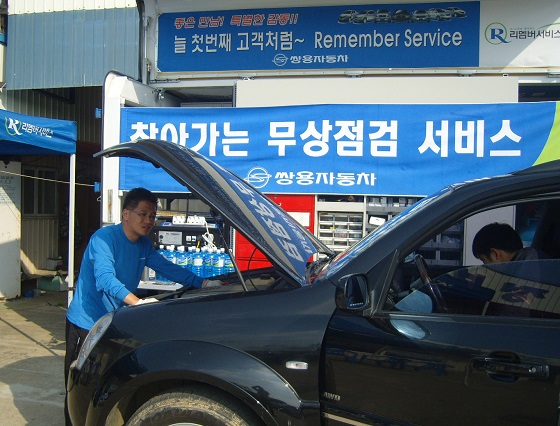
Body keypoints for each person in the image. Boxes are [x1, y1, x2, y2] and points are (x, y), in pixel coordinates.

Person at [64, 187, 220, 425]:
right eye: (143, 214)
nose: (148, 220)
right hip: (86, 321)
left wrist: (204, 282)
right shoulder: (104, 239)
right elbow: (105, 279)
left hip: (113, 319)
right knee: (79, 387)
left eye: (152, 215)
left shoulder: (144, 245)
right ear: (126, 213)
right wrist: (137, 302)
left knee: (102, 383)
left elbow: (168, 268)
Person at [472, 222, 548, 264]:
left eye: (483, 260)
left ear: (495, 254)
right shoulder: (529, 262)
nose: (484, 266)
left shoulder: (529, 269)